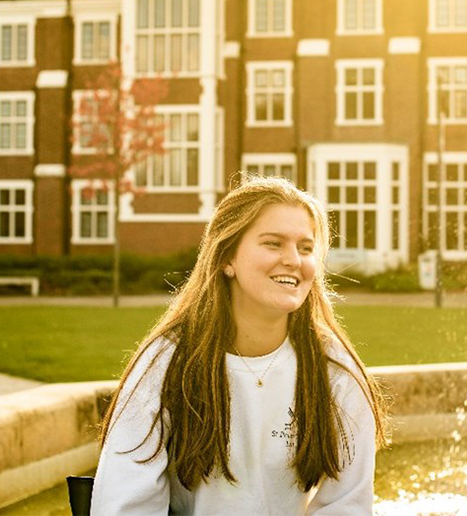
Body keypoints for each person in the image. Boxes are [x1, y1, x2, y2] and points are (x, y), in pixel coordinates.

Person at [91, 176, 387, 515]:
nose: (293, 260)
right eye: (273, 243)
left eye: (305, 248)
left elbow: (347, 505)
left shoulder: (335, 370)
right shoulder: (166, 362)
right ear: (226, 258)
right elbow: (124, 504)